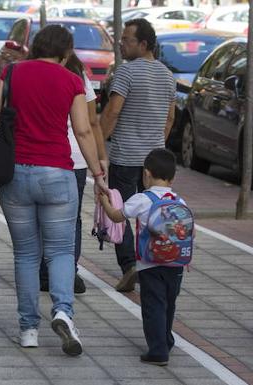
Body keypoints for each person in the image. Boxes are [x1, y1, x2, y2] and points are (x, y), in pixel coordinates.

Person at [0, 25, 108, 354]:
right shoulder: (72, 80)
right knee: (61, 252)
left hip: (16, 173)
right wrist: (97, 172)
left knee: (26, 254)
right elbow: (82, 129)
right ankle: (63, 311)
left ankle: (28, 329)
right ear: (65, 52)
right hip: (58, 175)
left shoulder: (12, 71)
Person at [100, 18, 176, 293]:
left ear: (143, 44)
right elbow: (170, 118)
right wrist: (156, 142)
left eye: (126, 40)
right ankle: (153, 263)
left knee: (120, 210)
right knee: (152, 213)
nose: (120, 43)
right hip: (153, 159)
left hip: (124, 157)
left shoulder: (126, 72)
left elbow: (113, 111)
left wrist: (99, 143)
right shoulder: (167, 75)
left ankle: (129, 265)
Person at [98, 148, 187, 366]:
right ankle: (166, 338)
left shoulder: (142, 199)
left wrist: (105, 202)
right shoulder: (179, 201)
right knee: (169, 303)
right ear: (173, 177)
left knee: (153, 304)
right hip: (176, 263)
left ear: (146, 174)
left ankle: (158, 351)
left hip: (150, 263)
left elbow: (117, 217)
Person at [39, 53, 108, 295]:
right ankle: (69, 271)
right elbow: (91, 122)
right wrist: (100, 160)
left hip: (42, 155)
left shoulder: (34, 75)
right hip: (76, 159)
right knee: (71, 219)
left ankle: (43, 270)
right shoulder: (78, 78)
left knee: (41, 214)